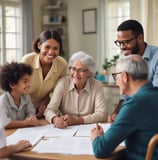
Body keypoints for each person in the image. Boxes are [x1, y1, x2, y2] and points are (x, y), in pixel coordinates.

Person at [90, 55, 158, 160]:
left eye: (116, 76)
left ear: (125, 76)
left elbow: (100, 149)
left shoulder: (134, 105)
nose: (116, 81)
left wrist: (96, 137)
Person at [108, 19, 158, 122]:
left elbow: (155, 95)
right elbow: (125, 94)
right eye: (119, 43)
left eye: (125, 42)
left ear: (140, 38)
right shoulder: (125, 58)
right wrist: (117, 111)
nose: (122, 47)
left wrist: (129, 113)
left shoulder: (156, 57)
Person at [44, 51, 107, 128]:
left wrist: (77, 120)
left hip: (88, 129)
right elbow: (49, 110)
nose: (76, 74)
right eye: (73, 69)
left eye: (80, 70)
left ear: (89, 73)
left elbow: (101, 114)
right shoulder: (63, 83)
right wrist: (54, 119)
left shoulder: (97, 86)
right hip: (66, 129)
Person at [21, 30, 67, 119]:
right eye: (47, 47)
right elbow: (19, 89)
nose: (50, 52)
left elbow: (57, 91)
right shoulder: (27, 61)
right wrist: (30, 112)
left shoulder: (62, 65)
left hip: (45, 111)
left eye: (55, 48)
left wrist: (44, 105)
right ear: (39, 45)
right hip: (22, 110)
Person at [0, 62, 39, 129]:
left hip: (22, 131)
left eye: (29, 81)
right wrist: (26, 122)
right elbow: (3, 123)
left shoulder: (26, 97)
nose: (29, 85)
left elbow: (31, 112)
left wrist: (31, 119)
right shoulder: (3, 100)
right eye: (25, 81)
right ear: (12, 85)